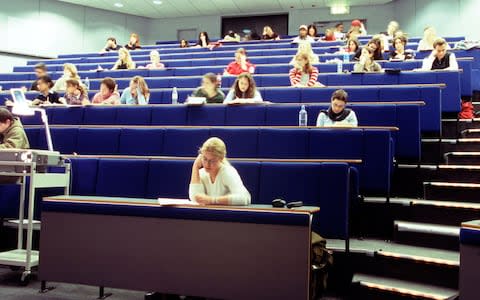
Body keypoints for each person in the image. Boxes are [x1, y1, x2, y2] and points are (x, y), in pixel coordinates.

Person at [189, 137, 251, 206]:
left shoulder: (228, 172)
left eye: (212, 161)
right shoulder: (201, 173)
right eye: (204, 159)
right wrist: (195, 166)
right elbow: (195, 197)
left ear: (221, 158)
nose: (207, 164)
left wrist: (212, 200)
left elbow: (245, 198)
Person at [0, 108, 30, 183]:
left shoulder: (17, 132)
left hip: (15, 169)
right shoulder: (3, 130)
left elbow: (9, 148)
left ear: (7, 122)